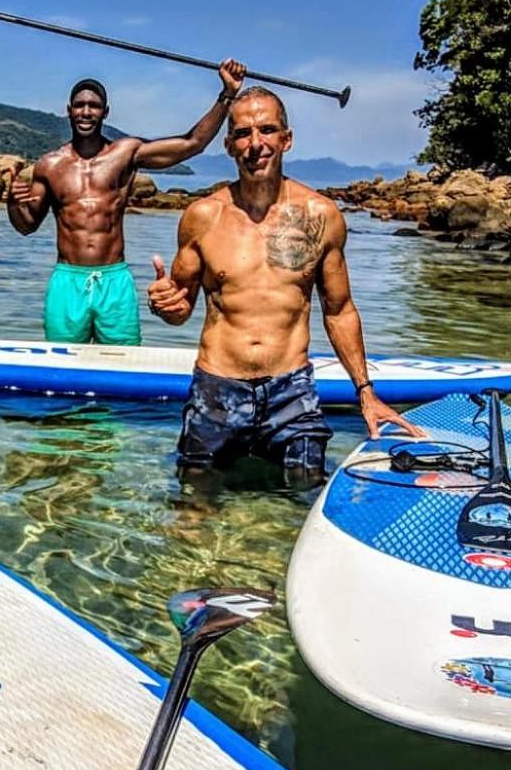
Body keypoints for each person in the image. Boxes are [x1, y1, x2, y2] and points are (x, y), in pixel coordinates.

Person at [147, 85, 420, 487]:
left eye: (267, 130)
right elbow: (182, 309)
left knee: (305, 502)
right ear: (228, 145)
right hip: (216, 390)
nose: (255, 144)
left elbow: (339, 310)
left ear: (286, 139)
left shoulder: (321, 215)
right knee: (193, 509)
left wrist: (366, 392)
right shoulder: (202, 216)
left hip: (292, 394)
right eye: (243, 133)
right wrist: (166, 305)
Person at [5, 59, 246, 346]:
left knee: (123, 363)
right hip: (66, 282)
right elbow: (26, 226)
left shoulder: (126, 153)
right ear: (68, 111)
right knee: (62, 369)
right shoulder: (49, 165)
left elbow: (192, 143)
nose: (86, 111)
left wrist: (227, 94)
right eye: (79, 105)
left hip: (114, 281)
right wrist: (12, 202)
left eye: (93, 106)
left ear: (105, 112)